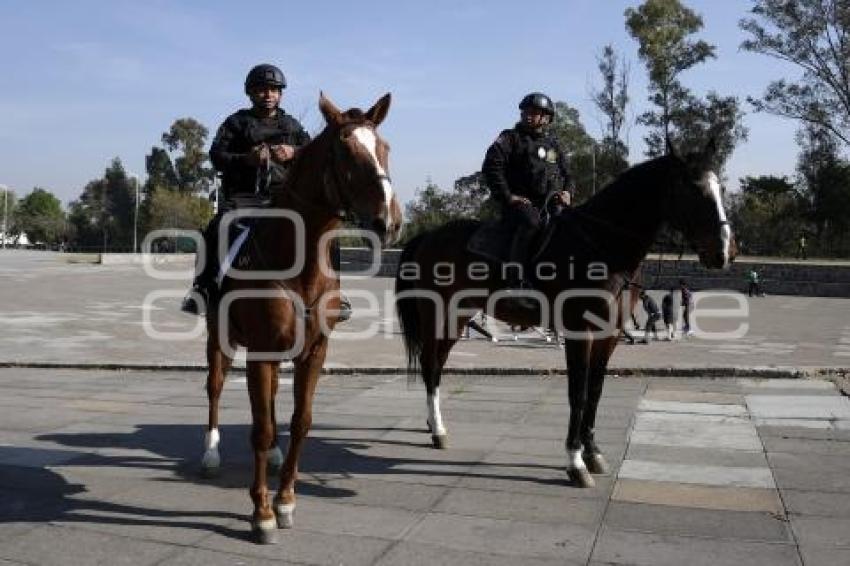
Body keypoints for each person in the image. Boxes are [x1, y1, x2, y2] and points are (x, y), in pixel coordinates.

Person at [180, 64, 351, 321]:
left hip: (285, 197)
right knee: (217, 228)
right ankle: (203, 288)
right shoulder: (235, 123)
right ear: (251, 93)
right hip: (244, 196)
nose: (268, 94)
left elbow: (315, 156)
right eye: (261, 90)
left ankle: (336, 293)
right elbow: (216, 157)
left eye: (273, 90)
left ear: (280, 94)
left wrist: (295, 153)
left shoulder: (292, 125)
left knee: (327, 230)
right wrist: (247, 159)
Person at [482, 92, 574, 310]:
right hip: (520, 204)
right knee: (531, 222)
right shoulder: (510, 138)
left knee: (571, 226)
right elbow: (491, 168)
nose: (529, 116)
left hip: (551, 203)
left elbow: (568, 174)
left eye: (535, 113)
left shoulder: (554, 144)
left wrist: (568, 192)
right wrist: (508, 197)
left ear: (547, 118)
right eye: (526, 112)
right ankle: (516, 282)